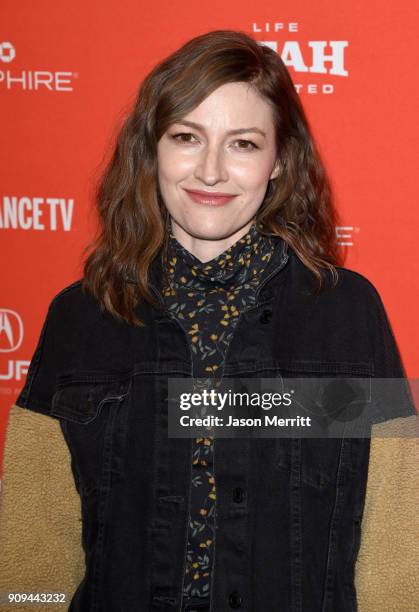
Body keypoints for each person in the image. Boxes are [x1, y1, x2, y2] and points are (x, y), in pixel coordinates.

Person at [0, 29, 417, 612]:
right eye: (187, 137)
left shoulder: (346, 312)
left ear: (279, 161)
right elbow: (32, 555)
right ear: (152, 150)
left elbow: (393, 547)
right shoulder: (79, 316)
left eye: (243, 143)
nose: (211, 171)